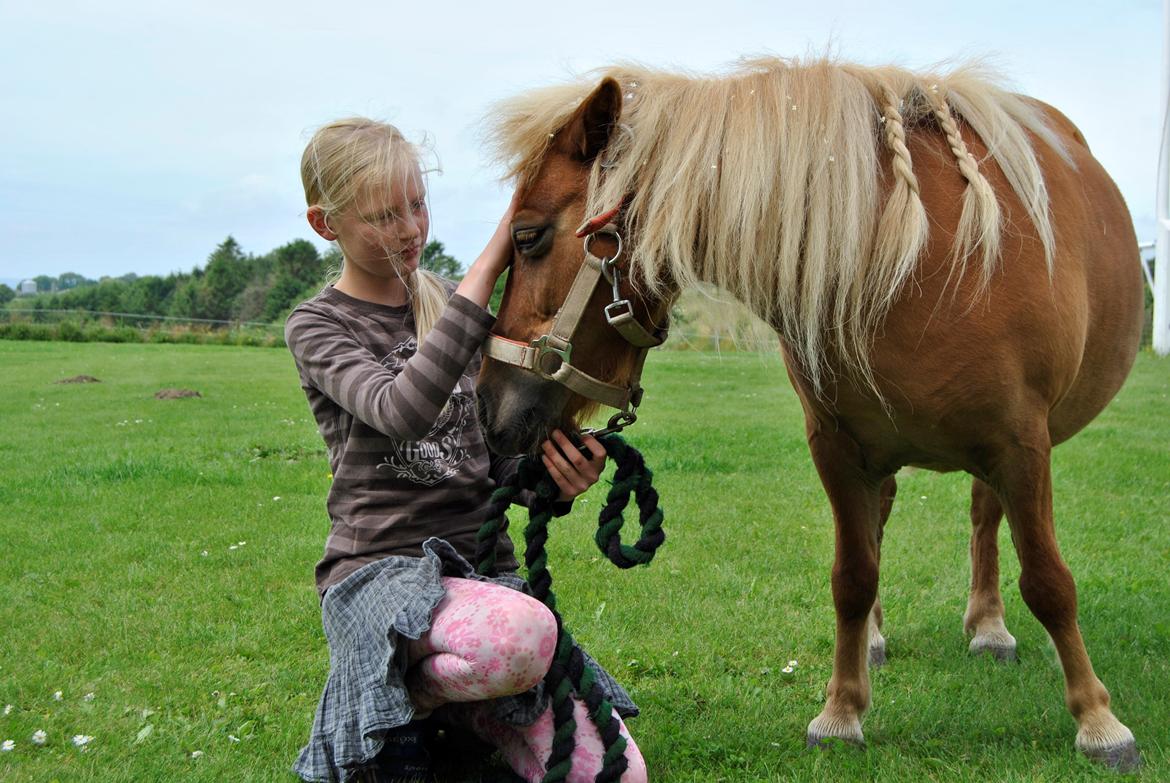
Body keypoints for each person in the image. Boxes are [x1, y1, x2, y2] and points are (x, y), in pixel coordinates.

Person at [285, 117, 648, 783]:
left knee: (617, 774)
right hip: (381, 578)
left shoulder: (450, 305)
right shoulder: (318, 326)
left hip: (483, 578)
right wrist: (490, 266)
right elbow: (400, 411)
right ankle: (399, 701)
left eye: (417, 205)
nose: (410, 229)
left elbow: (490, 459)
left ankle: (461, 711)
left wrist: (553, 477)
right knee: (523, 635)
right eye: (384, 215)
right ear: (325, 223)